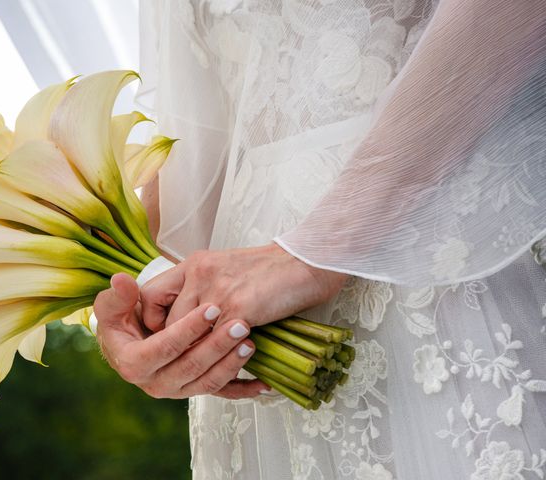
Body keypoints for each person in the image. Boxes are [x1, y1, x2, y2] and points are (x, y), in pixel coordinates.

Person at [94, 1, 546, 478]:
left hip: (430, 237)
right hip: (254, 314)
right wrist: (148, 317)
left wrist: (314, 256)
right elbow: (193, 148)